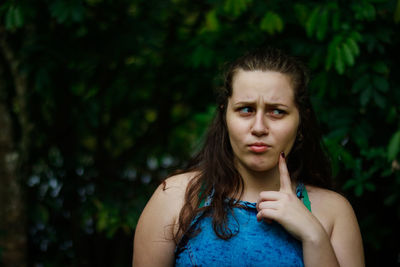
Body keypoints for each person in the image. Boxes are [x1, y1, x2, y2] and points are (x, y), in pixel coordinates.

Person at [133, 47, 364, 266]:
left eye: (277, 111)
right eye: (246, 109)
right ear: (225, 115)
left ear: (300, 121)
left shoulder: (333, 212)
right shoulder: (175, 198)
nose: (259, 127)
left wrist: (314, 237)